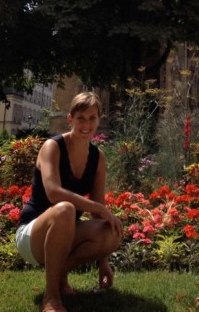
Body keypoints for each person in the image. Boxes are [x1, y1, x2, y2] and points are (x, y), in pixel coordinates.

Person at [15, 92, 124, 312]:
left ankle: (59, 272)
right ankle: (51, 297)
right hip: (32, 234)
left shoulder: (98, 158)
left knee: (112, 229)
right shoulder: (52, 147)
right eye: (81, 118)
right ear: (70, 119)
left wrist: (104, 261)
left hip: (66, 233)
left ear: (99, 120)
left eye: (92, 118)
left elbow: (97, 214)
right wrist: (99, 208)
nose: (86, 124)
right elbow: (54, 193)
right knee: (65, 209)